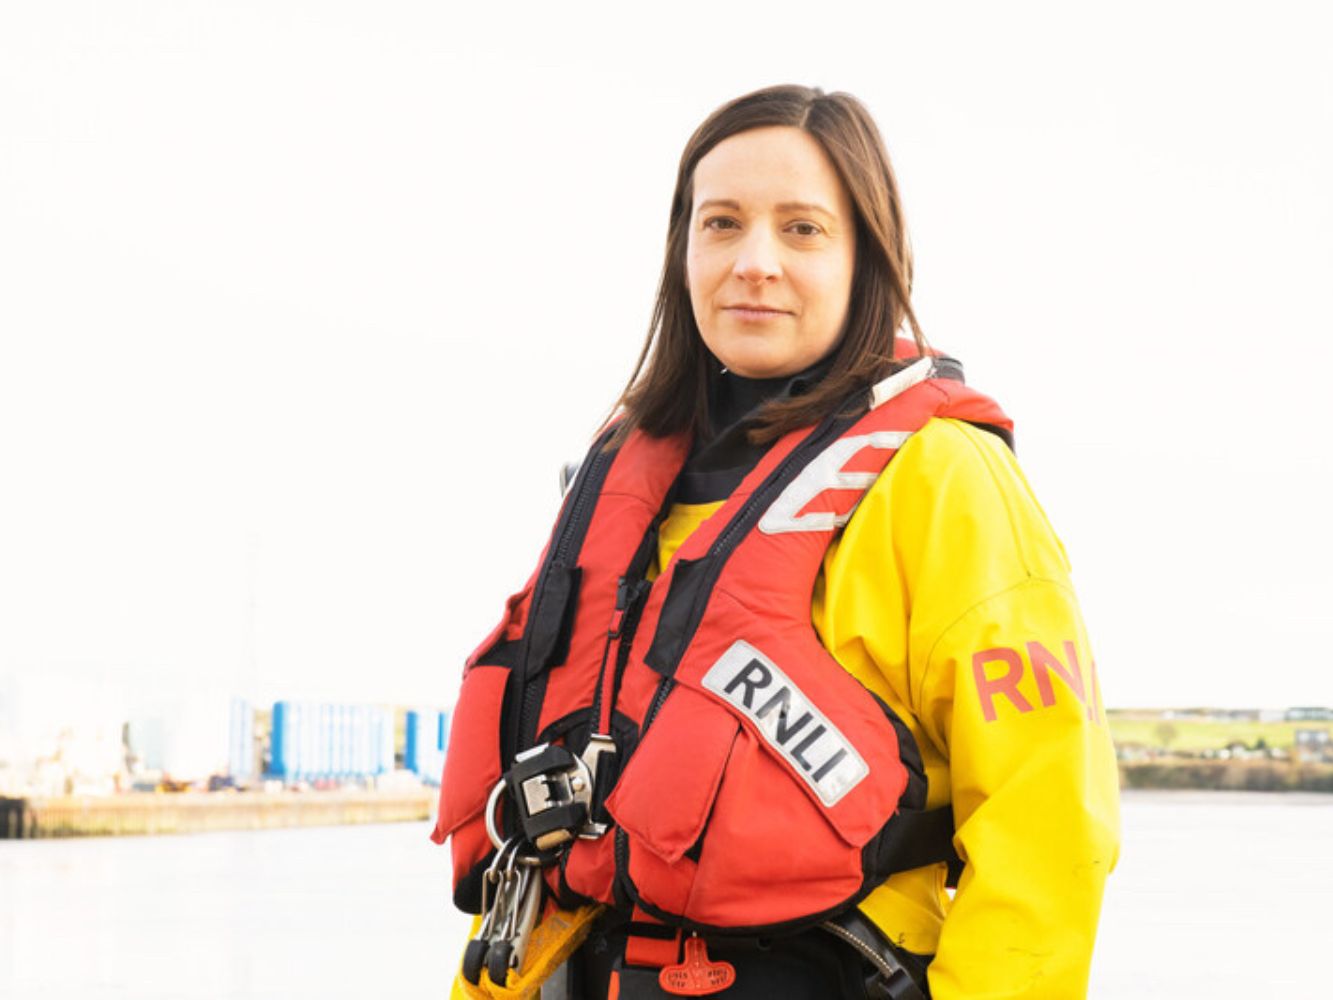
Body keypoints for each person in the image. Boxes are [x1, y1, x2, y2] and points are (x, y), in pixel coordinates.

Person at [434, 84, 1120, 999]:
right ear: (682, 251)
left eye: (801, 229)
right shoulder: (623, 473)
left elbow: (1046, 827)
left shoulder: (944, 478)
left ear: (864, 257)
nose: (754, 261)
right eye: (721, 224)